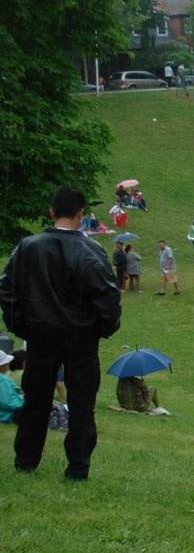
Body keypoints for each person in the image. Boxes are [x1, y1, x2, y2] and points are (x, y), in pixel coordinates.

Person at [0, 186, 121, 480]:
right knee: (81, 403)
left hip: (41, 334)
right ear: (81, 216)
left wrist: (21, 325)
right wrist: (102, 328)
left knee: (35, 399)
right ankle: (78, 467)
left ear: (51, 212)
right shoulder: (91, 251)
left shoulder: (28, 246)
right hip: (80, 337)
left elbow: (7, 289)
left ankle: (26, 460)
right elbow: (108, 295)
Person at [0, 351, 25, 423]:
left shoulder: (4, 377)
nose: (9, 363)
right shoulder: (2, 380)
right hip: (5, 415)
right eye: (7, 361)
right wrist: (25, 400)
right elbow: (8, 403)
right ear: (1, 366)